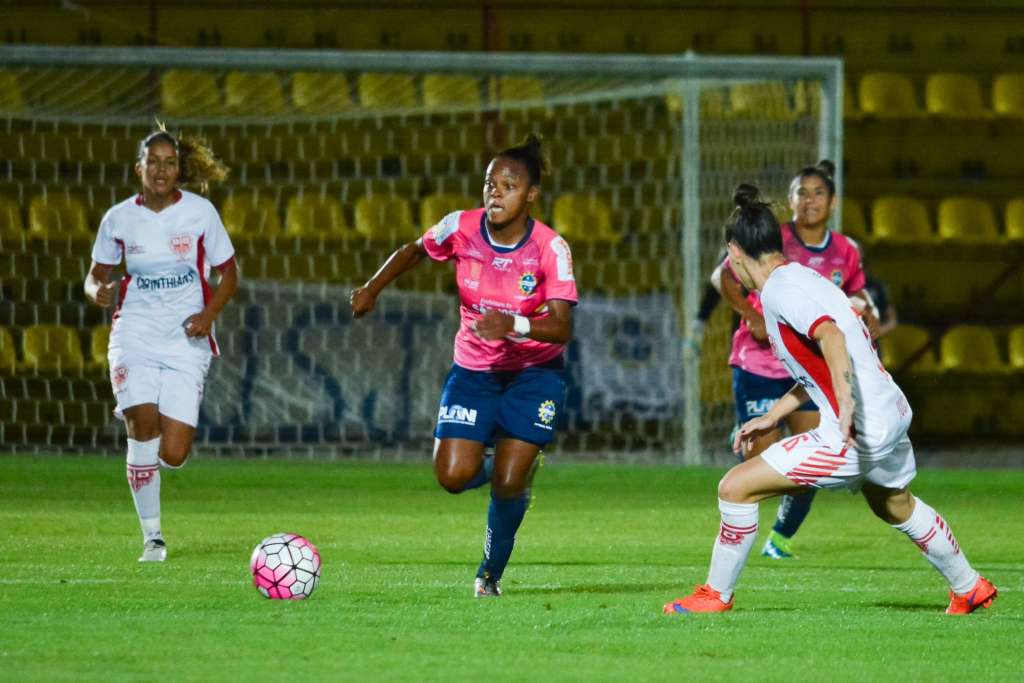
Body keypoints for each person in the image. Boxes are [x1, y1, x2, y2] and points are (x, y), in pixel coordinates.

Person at [664, 185, 996, 615]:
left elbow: (832, 335)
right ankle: (969, 586)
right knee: (894, 504)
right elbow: (819, 363)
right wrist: (774, 415)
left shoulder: (783, 292)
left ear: (734, 252)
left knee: (735, 488)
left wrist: (846, 407)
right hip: (889, 410)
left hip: (857, 427)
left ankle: (715, 595)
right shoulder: (801, 278)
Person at [350, 134, 577, 597]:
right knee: (452, 477)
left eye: (509, 185)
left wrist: (513, 323)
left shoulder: (551, 249)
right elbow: (416, 249)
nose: (495, 192)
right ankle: (509, 463)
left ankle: (489, 574)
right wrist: (372, 287)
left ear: (531, 194)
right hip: (474, 371)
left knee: (511, 484)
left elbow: (561, 328)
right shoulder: (461, 227)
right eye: (490, 182)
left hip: (534, 376)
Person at [712, 160, 879, 560]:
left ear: (833, 201)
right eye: (801, 193)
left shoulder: (845, 250)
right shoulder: (769, 240)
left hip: (810, 372)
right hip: (760, 365)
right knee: (759, 460)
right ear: (789, 201)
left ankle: (779, 539)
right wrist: (751, 316)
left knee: (808, 464)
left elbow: (856, 300)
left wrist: (865, 313)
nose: (809, 201)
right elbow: (722, 277)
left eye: (818, 192)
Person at [84, 126, 237, 562]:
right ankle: (153, 537)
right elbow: (95, 275)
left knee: (173, 452)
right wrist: (96, 290)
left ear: (178, 170)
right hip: (134, 331)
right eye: (154, 162)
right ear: (139, 168)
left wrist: (208, 317)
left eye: (170, 163)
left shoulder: (200, 213)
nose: (161, 170)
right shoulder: (118, 219)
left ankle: (154, 466)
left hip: (186, 337)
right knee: (141, 425)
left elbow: (230, 273)